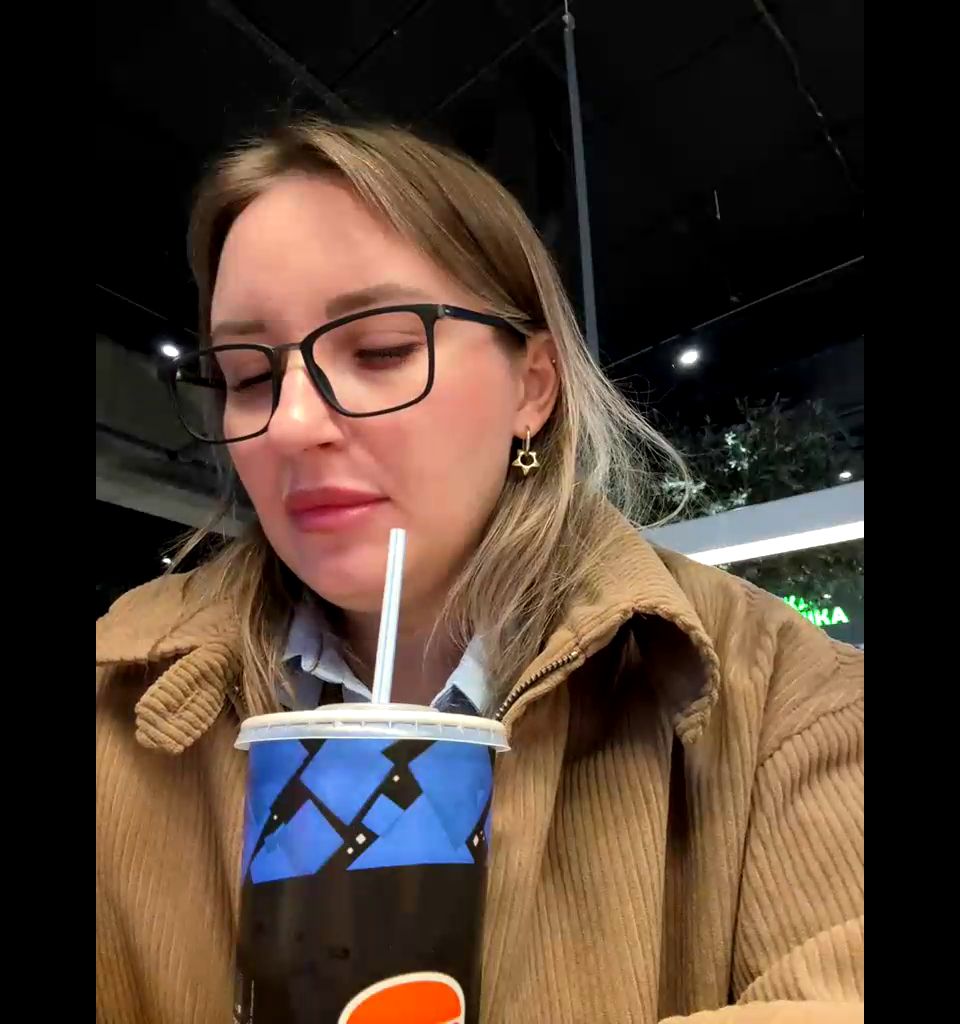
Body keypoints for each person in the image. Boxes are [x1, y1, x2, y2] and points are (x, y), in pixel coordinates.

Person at [96, 117, 863, 1024]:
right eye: (246, 376)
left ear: (532, 387)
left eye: (380, 349)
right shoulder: (114, 694)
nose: (292, 424)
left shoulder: (786, 704)